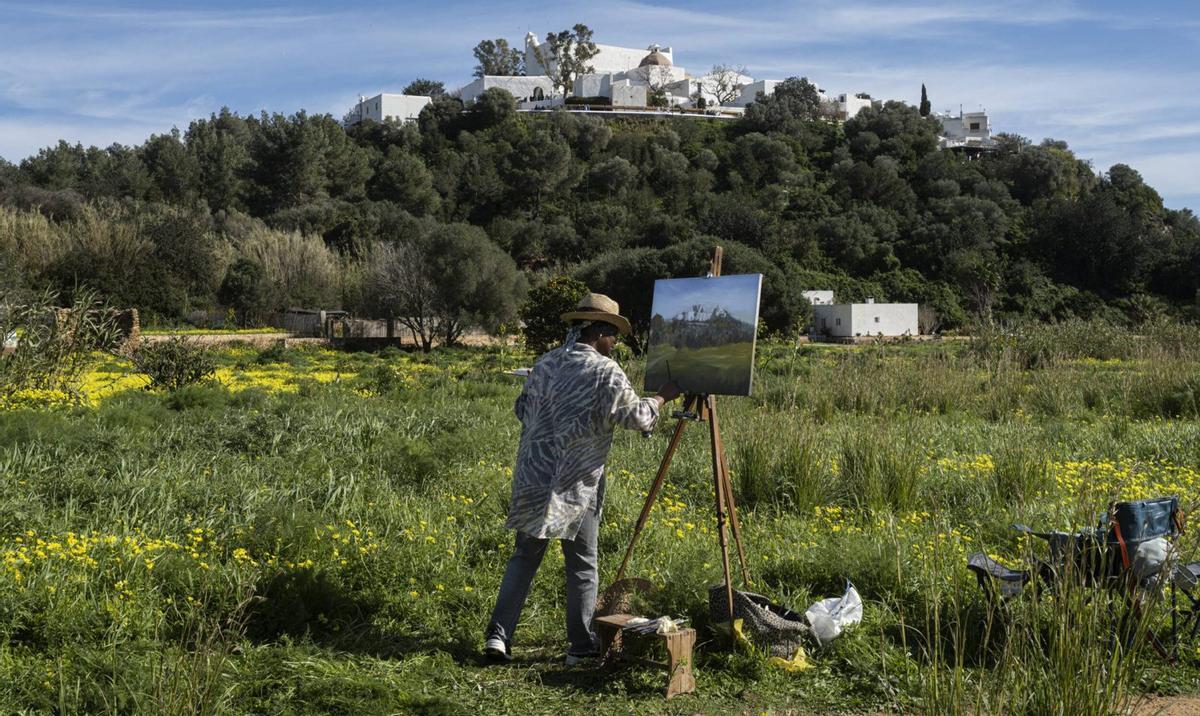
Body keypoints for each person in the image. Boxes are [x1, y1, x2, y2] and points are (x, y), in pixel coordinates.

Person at [484, 293, 682, 665]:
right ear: (599, 332)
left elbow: (521, 408)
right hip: (576, 482)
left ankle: (498, 637)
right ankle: (580, 646)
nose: (615, 344)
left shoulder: (544, 364)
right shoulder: (604, 370)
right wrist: (661, 398)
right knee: (582, 563)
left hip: (533, 476)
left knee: (524, 558)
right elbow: (636, 417)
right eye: (613, 336)